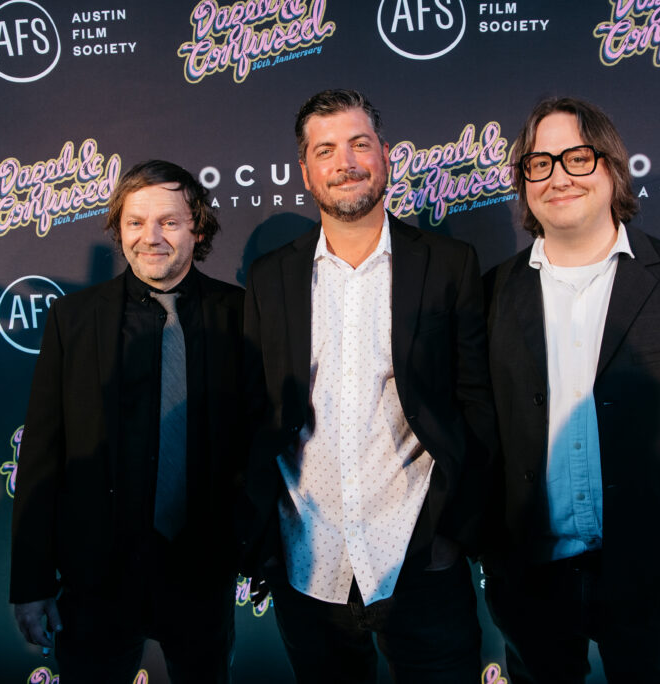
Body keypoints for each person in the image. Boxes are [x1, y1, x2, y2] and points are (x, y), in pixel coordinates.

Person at [482, 97, 660, 684]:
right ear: (524, 182)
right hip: (531, 582)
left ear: (612, 169)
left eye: (578, 157)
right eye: (539, 163)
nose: (558, 176)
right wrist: (497, 560)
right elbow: (474, 434)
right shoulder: (489, 296)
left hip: (653, 582)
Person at [242, 89, 496, 683]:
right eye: (325, 150)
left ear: (386, 155)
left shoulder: (448, 263)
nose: (345, 162)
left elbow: (477, 404)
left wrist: (454, 533)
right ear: (305, 171)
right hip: (309, 561)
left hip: (420, 556)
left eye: (360, 144)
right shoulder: (271, 276)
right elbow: (254, 409)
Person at [9, 159, 248, 683]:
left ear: (198, 227)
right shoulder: (73, 318)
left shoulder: (242, 315)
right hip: (96, 579)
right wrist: (30, 583)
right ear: (119, 229)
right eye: (135, 222)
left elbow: (262, 442)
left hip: (202, 574)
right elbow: (42, 456)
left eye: (169, 221)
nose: (151, 237)